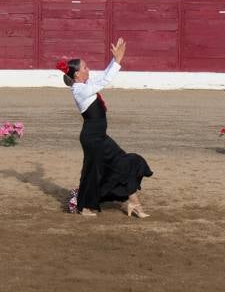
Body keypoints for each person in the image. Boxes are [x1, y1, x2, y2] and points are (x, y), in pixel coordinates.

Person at [56, 38, 153, 218]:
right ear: (77, 74)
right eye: (85, 67)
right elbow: (104, 81)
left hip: (99, 136)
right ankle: (85, 207)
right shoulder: (79, 90)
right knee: (93, 172)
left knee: (122, 162)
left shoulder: (85, 84)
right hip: (92, 138)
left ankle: (133, 202)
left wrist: (115, 60)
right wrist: (117, 61)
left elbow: (102, 76)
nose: (88, 69)